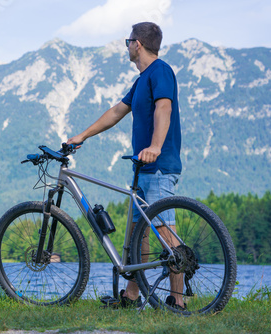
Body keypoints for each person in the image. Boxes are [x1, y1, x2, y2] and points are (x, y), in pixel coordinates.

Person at [67, 22, 184, 309]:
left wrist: (155, 147)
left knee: (164, 232)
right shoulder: (142, 79)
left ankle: (178, 301)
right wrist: (82, 135)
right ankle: (132, 296)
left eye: (128, 41)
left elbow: (164, 108)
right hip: (142, 168)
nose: (127, 46)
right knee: (137, 236)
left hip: (158, 166)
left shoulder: (161, 71)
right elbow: (117, 111)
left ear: (138, 44)